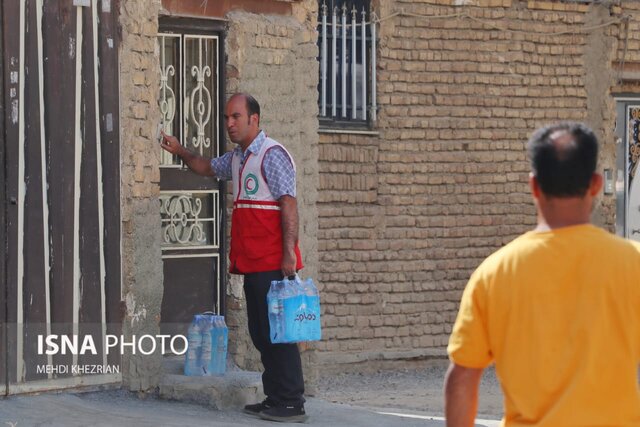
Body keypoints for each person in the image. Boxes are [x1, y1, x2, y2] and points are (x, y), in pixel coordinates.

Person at [444, 122, 640, 427]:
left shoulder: (494, 273)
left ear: (534, 185)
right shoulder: (633, 263)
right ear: (596, 184)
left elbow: (463, 376)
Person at [160, 93, 308, 423]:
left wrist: (288, 255)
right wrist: (180, 150)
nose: (229, 123)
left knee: (278, 334)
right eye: (227, 117)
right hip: (252, 262)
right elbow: (206, 166)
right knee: (260, 332)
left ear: (254, 119)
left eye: (236, 117)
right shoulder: (239, 158)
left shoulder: (272, 155)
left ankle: (291, 401)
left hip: (272, 262)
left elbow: (289, 205)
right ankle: (275, 397)